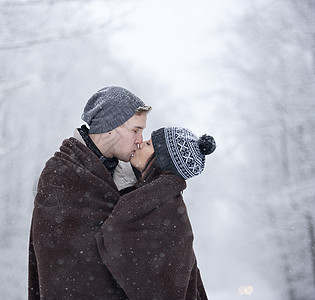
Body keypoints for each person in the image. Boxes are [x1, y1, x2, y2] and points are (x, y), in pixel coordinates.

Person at [28, 86, 152, 299]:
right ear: (111, 127)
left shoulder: (132, 174)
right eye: (135, 130)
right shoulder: (61, 174)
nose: (140, 139)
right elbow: (61, 262)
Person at [96, 127, 216, 300]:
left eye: (149, 144)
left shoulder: (164, 209)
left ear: (162, 160)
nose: (140, 143)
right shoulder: (154, 199)